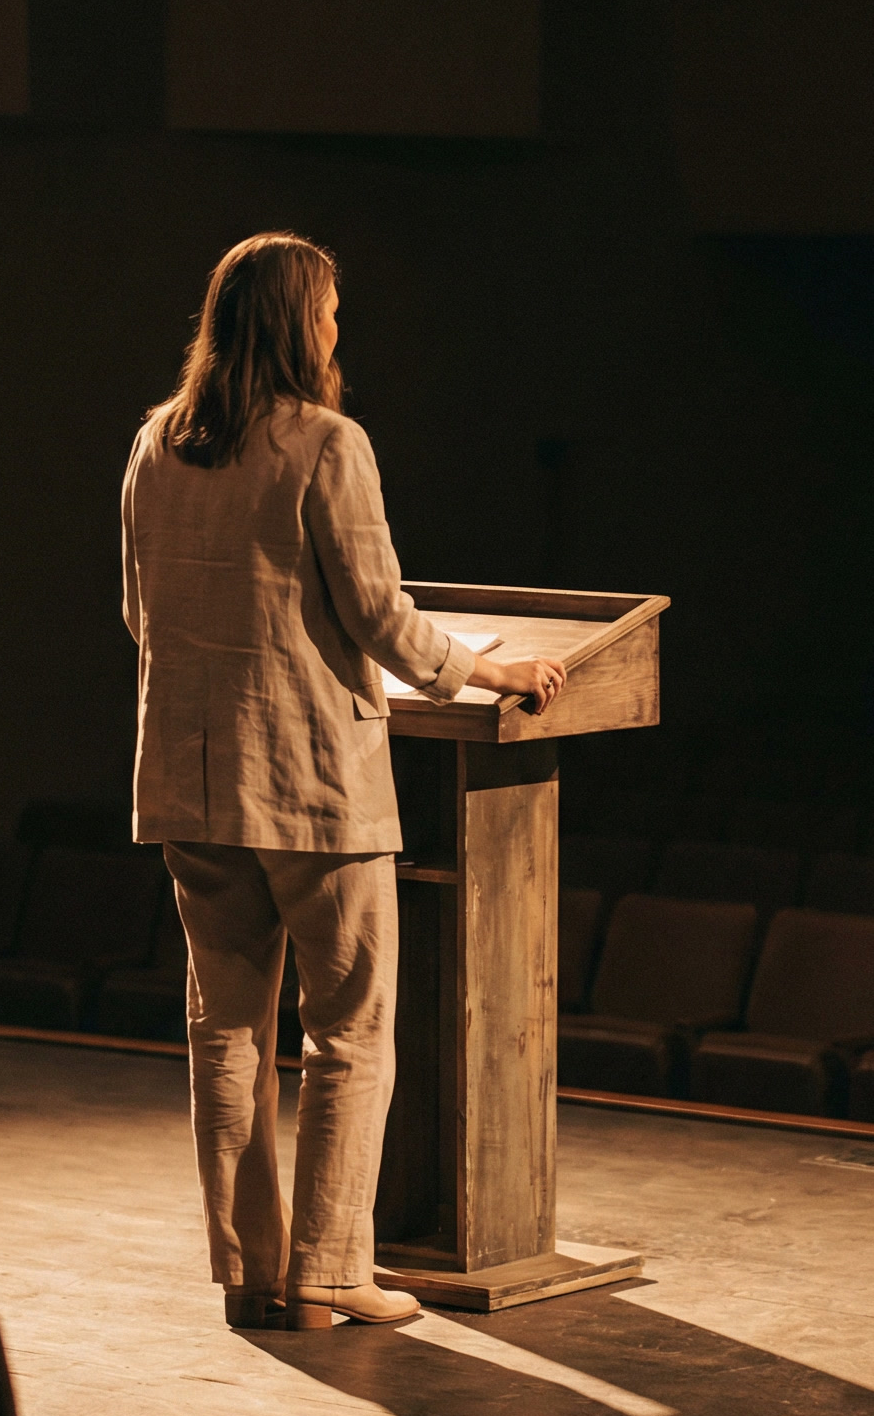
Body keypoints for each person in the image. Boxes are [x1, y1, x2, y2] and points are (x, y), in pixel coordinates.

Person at [121, 231, 566, 1331]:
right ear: (292, 323)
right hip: (313, 781)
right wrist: (480, 670)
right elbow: (377, 614)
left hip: (187, 771)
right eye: (325, 311)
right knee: (348, 1035)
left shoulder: (155, 444)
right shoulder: (325, 443)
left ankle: (250, 1274)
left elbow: (139, 613)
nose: (334, 329)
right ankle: (327, 1273)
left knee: (222, 1032)